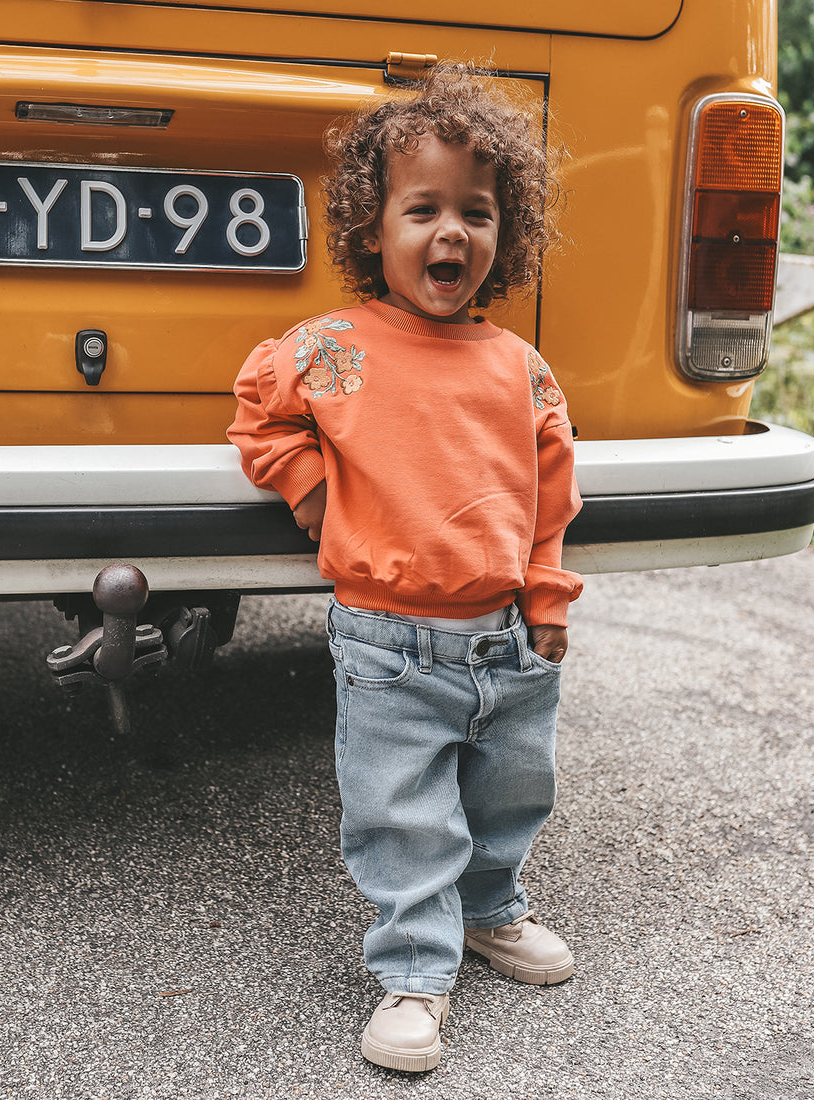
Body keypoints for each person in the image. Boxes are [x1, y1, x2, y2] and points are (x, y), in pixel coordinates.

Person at [227, 63, 583, 1073]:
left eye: (474, 211)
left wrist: (549, 594)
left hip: (509, 637)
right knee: (401, 811)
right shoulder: (335, 347)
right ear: (371, 229)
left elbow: (550, 494)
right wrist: (307, 490)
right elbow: (257, 409)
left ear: (501, 234)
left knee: (513, 790)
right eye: (420, 208)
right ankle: (414, 970)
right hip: (384, 639)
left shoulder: (519, 367)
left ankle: (489, 907)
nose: (449, 233)